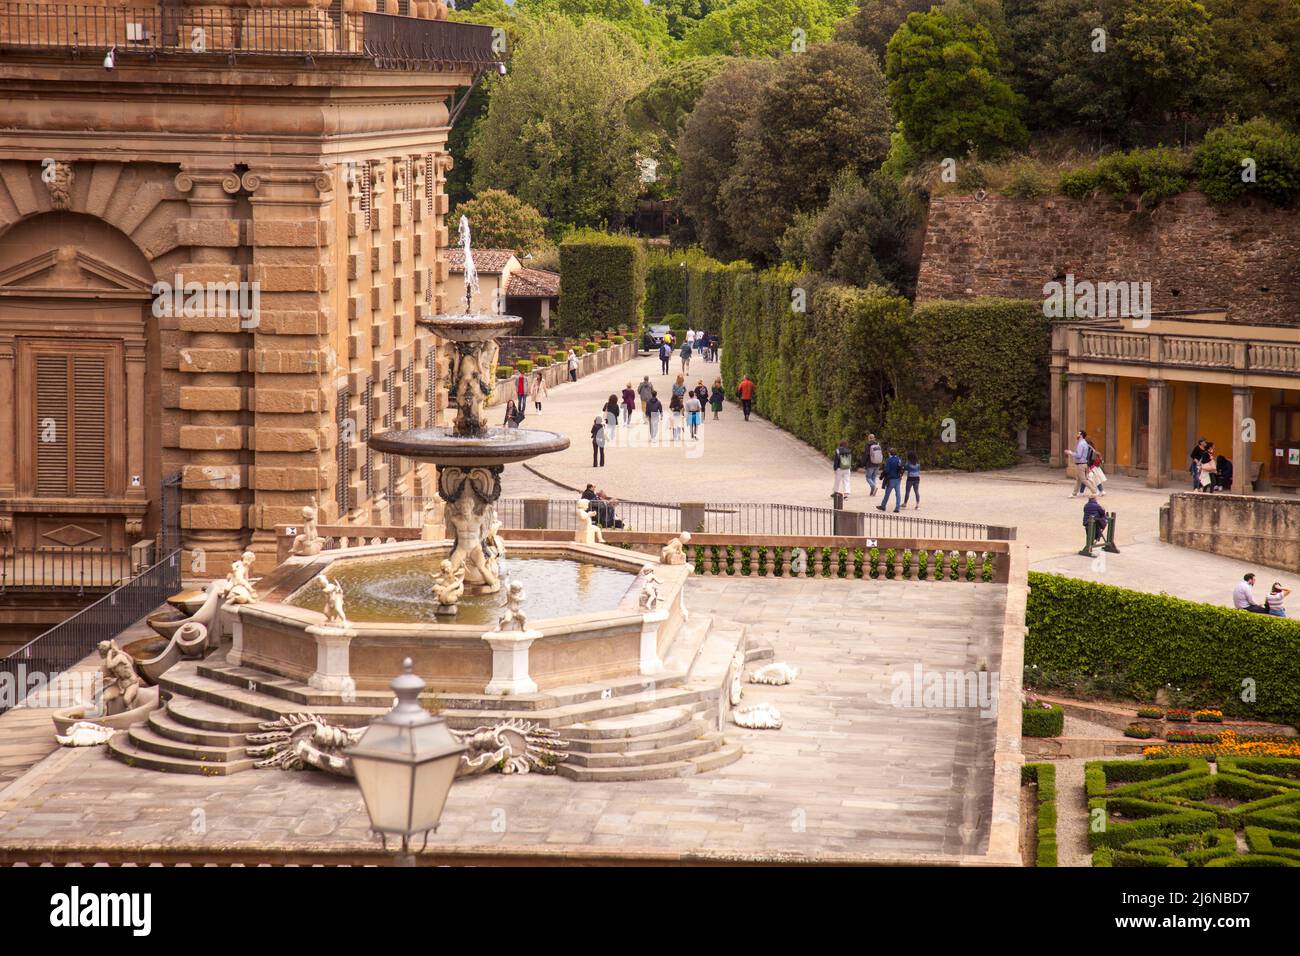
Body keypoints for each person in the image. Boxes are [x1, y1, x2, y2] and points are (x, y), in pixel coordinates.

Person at [877, 448, 903, 513]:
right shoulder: (899, 459)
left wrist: (881, 476)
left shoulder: (889, 460)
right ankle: (897, 508)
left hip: (891, 479)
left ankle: (883, 506)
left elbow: (886, 470)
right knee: (898, 494)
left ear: (889, 453)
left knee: (887, 494)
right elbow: (902, 468)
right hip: (897, 479)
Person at [1068, 430, 1092, 497]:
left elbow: (1078, 455)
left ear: (1081, 435)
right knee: (1078, 480)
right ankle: (1074, 493)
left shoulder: (1081, 444)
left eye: (1078, 434)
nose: (1077, 435)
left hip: (1080, 464)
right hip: (1083, 464)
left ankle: (1094, 491)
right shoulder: (1084, 443)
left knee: (1083, 480)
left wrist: (1071, 453)